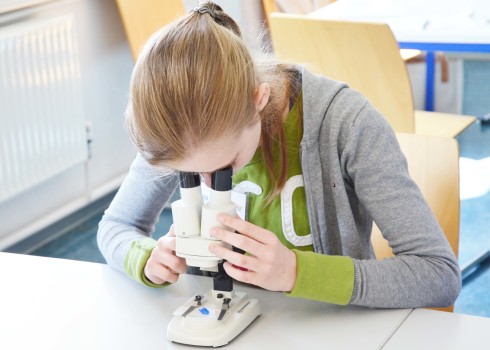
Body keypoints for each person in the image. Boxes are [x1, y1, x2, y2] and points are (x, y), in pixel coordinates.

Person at [98, 1, 461, 308]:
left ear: (258, 101)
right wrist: (146, 258)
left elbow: (438, 274)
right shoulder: (175, 127)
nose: (207, 185)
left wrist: (295, 272)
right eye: (188, 176)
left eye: (224, 169)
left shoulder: (346, 124)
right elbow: (116, 227)